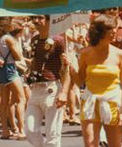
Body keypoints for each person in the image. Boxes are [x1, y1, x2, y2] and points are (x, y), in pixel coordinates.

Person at [65, 14, 122, 147]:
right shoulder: (86, 53)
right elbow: (80, 82)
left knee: (114, 145)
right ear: (100, 31)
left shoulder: (119, 54)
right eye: (109, 29)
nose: (114, 32)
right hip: (90, 101)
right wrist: (70, 67)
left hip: (112, 102)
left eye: (114, 28)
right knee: (90, 144)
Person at [25, 15, 70, 147]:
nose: (36, 21)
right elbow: (34, 62)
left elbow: (66, 69)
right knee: (30, 130)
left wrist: (64, 92)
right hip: (35, 89)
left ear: (49, 20)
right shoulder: (34, 40)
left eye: (40, 18)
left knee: (53, 134)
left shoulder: (58, 40)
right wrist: (29, 73)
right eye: (35, 18)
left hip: (52, 90)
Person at [0, 17, 27, 140]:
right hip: (10, 69)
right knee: (21, 99)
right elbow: (18, 56)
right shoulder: (8, 39)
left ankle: (5, 130)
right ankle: (22, 130)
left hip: (1, 69)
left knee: (4, 102)